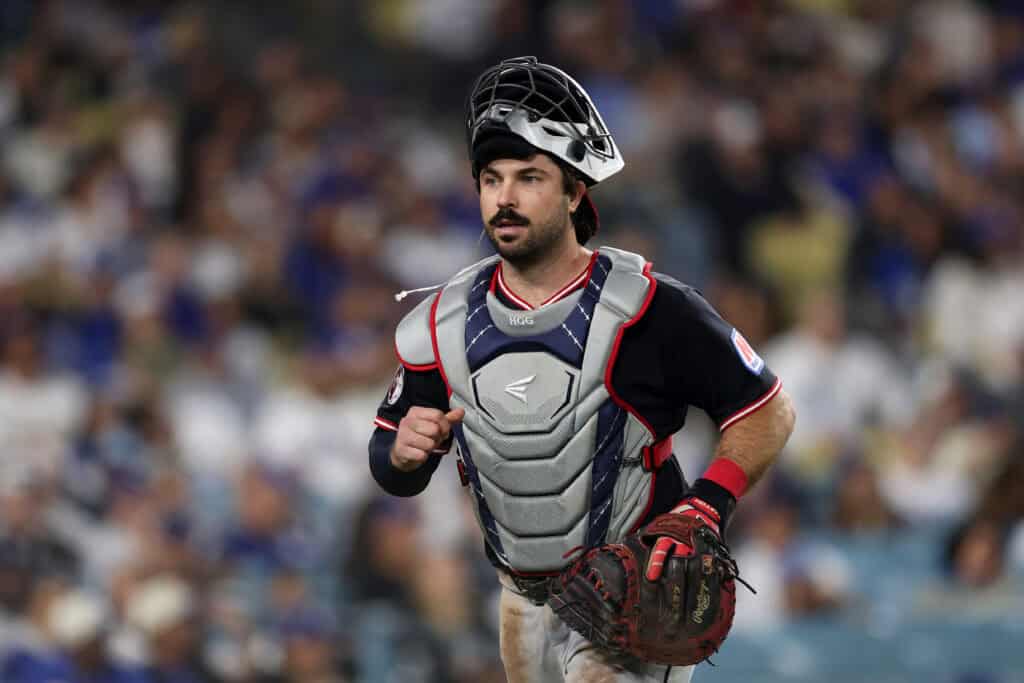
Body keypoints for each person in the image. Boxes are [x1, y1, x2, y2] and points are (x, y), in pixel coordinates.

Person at [368, 56, 796, 683]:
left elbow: (768, 410)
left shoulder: (652, 308)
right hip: (521, 604)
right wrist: (401, 455)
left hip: (629, 596)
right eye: (491, 179)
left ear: (574, 192)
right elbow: (389, 457)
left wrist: (706, 506)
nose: (505, 198)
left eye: (529, 178)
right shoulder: (440, 324)